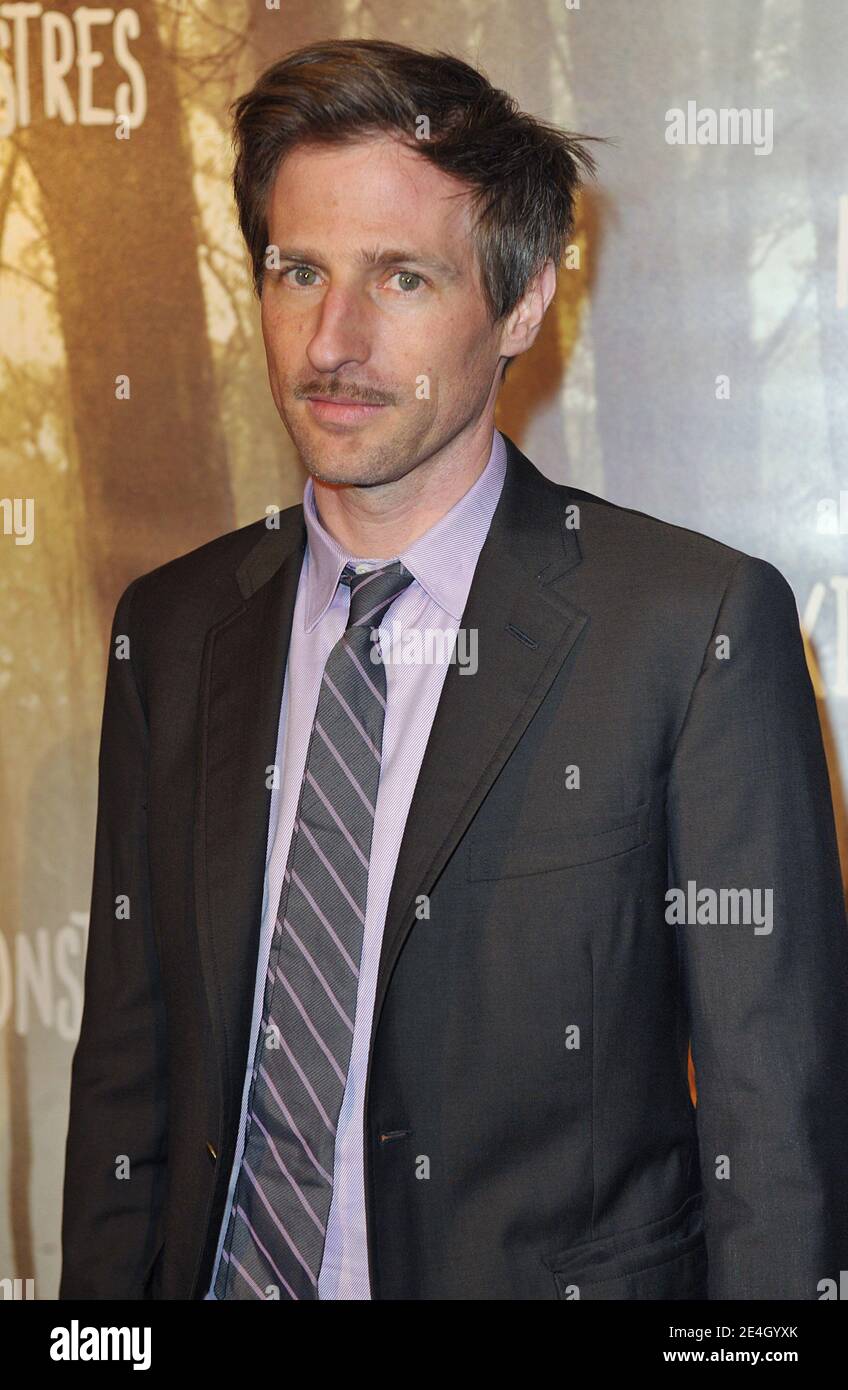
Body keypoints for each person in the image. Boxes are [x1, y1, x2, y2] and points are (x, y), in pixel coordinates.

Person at [59, 38, 848, 1301]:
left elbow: (777, 1135)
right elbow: (127, 1079)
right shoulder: (172, 628)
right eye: (298, 269)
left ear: (522, 302)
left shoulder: (690, 629)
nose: (332, 340)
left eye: (402, 278)